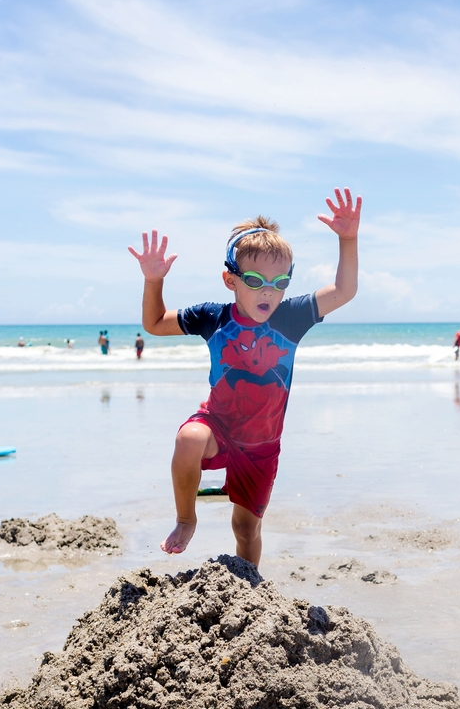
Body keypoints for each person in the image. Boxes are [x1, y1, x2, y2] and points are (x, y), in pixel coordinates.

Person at [128, 187, 361, 567]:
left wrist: (347, 239)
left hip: (261, 445)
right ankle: (186, 519)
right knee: (188, 438)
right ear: (230, 280)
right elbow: (153, 324)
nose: (268, 291)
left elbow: (345, 290)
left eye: (280, 282)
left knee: (246, 529)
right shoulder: (212, 317)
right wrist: (154, 281)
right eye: (255, 281)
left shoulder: (292, 317)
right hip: (217, 426)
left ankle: (249, 587)